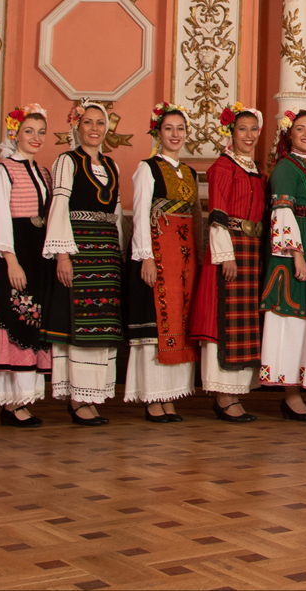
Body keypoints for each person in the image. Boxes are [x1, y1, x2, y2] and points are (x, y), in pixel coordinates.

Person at [0, 105, 70, 427]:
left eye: (41, 132)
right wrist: (11, 261)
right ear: (15, 132)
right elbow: (0, 217)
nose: (36, 138)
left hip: (38, 254)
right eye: (29, 131)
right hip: (16, 254)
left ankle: (22, 401)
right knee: (18, 319)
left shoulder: (43, 172)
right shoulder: (3, 170)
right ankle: (13, 403)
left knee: (34, 322)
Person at [47, 101, 126, 426]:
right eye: (88, 122)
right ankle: (78, 399)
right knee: (81, 325)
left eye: (99, 123)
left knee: (102, 327)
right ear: (77, 127)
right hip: (80, 249)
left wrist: (119, 255)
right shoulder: (67, 161)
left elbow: (117, 214)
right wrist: (62, 254)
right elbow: (59, 206)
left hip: (106, 253)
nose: (94, 128)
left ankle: (93, 396)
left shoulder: (112, 166)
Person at [126, 102, 204, 422]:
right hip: (159, 252)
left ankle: (171, 395)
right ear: (158, 132)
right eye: (169, 128)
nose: (175, 134)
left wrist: (198, 257)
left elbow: (197, 217)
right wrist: (145, 257)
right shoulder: (148, 168)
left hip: (184, 256)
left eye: (180, 129)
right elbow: (142, 214)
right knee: (158, 323)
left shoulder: (188, 172)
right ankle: (153, 397)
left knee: (181, 321)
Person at [191, 103, 265, 424]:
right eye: (242, 129)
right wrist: (225, 255)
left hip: (251, 249)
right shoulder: (223, 167)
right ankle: (223, 396)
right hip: (231, 249)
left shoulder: (254, 170)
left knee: (243, 322)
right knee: (226, 320)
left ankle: (234, 393)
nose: (248, 135)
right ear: (231, 133)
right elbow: (217, 213)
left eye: (253, 129)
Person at [262, 110, 306, 420]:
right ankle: (291, 396)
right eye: (300, 129)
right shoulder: (286, 167)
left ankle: (302, 387)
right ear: (288, 135)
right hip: (299, 249)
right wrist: (297, 254)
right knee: (294, 320)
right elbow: (282, 211)